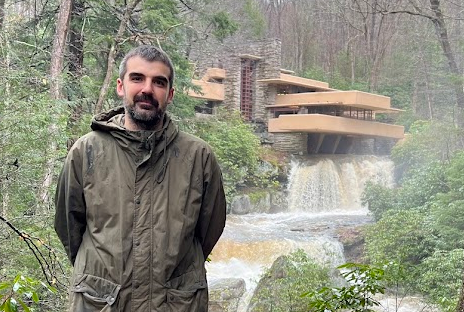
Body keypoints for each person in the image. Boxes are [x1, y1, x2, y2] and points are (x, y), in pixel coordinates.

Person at [55, 45, 227, 312]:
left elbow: (209, 230)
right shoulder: (86, 152)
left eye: (159, 82)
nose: (147, 89)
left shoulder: (198, 158)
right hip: (101, 303)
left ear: (169, 94)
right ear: (121, 86)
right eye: (137, 78)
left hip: (176, 304)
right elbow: (69, 227)